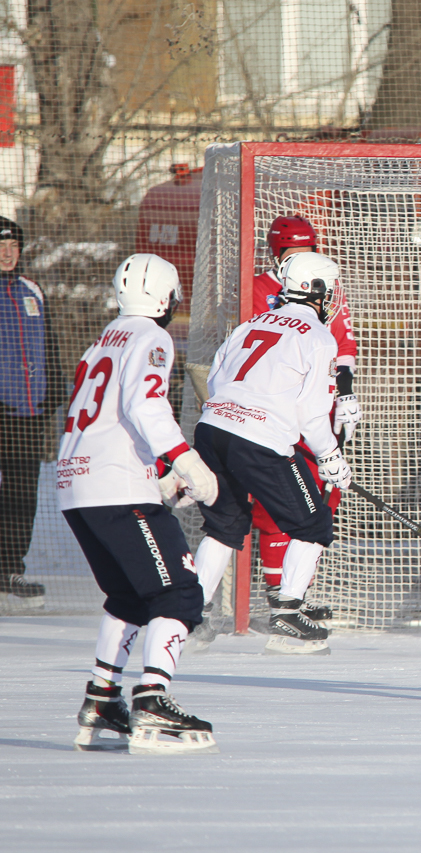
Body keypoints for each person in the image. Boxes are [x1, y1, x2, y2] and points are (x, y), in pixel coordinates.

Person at [60, 253, 220, 753]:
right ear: (164, 296)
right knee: (179, 593)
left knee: (129, 596)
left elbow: (109, 417)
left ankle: (103, 697)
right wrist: (184, 461)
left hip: (77, 486)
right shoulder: (151, 336)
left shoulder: (106, 336)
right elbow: (144, 404)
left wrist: (158, 478)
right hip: (116, 487)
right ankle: (152, 699)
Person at [194, 216, 360, 641]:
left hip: (212, 429)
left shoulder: (251, 324)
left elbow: (217, 378)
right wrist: (330, 457)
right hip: (259, 440)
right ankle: (287, 609)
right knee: (314, 524)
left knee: (225, 525)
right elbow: (310, 412)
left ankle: (192, 611)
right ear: (318, 290)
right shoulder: (318, 337)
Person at [0, 217, 55, 606]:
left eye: (14, 245)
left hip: (27, 414)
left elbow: (48, 346)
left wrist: (52, 393)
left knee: (22, 493)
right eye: (1, 245)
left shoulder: (31, 291)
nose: (7, 253)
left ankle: (9, 569)